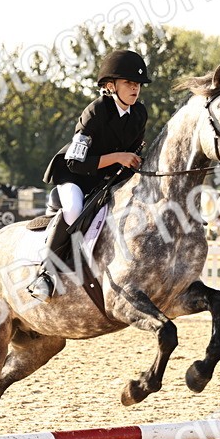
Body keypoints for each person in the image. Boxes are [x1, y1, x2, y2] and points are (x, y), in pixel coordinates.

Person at [27, 49, 150, 301]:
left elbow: (133, 152)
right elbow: (75, 161)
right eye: (129, 82)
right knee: (74, 209)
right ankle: (45, 275)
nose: (135, 88)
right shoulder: (95, 111)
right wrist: (118, 157)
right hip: (76, 176)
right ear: (110, 85)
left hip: (108, 180)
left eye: (138, 84)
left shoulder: (139, 113)